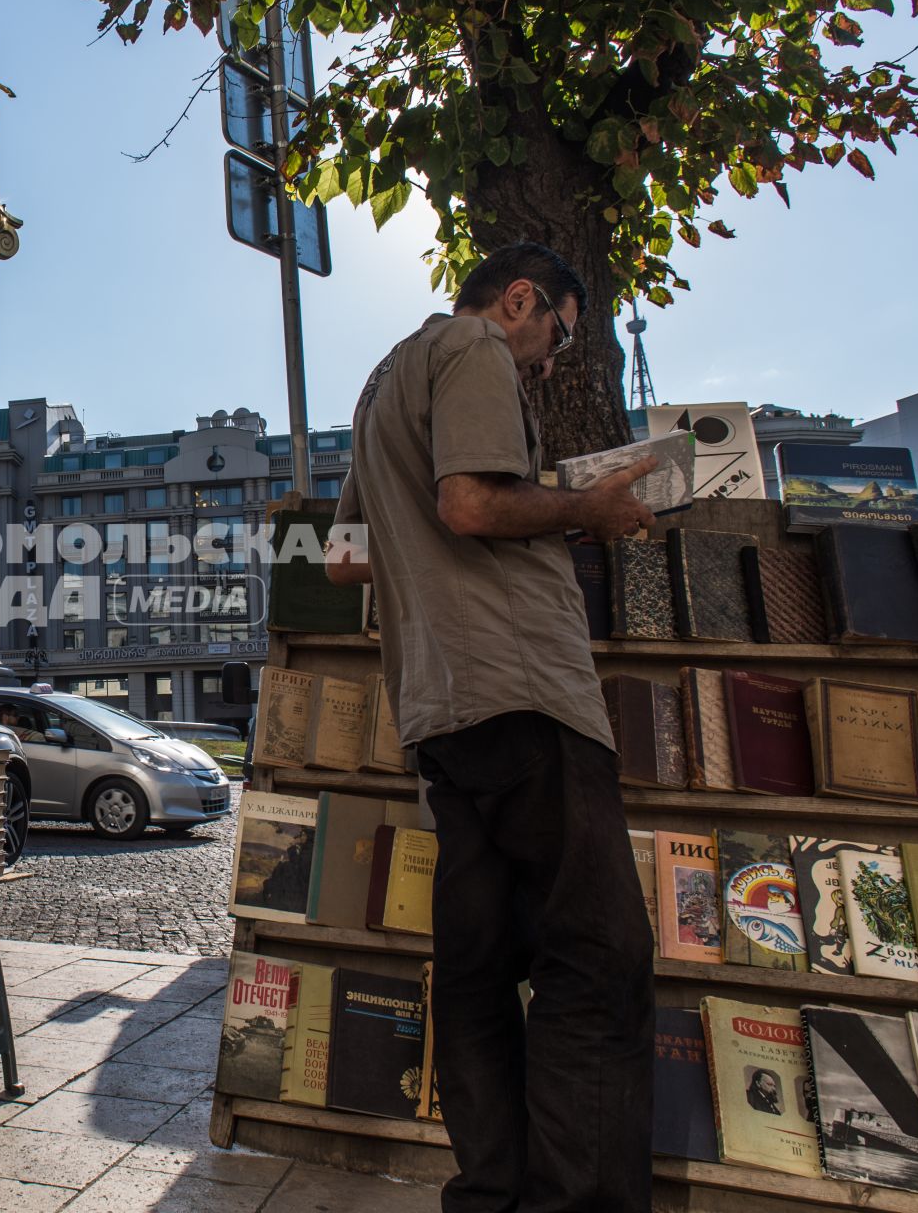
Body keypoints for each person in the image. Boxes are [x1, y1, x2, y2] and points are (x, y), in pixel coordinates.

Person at [325, 242, 657, 1213]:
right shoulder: (473, 348)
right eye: (555, 335)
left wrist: (417, 558)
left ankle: (490, 1195)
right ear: (520, 299)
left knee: (475, 973)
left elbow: (345, 557)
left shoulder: (380, 384)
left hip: (438, 712)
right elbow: (469, 501)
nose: (550, 364)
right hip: (524, 692)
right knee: (597, 960)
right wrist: (588, 506)